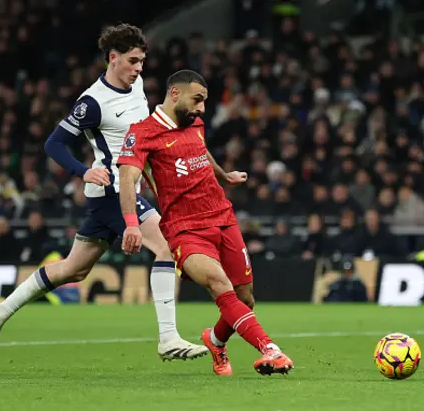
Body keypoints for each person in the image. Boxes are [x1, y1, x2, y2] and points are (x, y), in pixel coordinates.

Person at [0, 24, 207, 361]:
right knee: (165, 246)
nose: (139, 68)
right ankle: (168, 338)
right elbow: (54, 144)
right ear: (112, 59)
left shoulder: (138, 85)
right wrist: (84, 170)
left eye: (142, 61)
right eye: (132, 61)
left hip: (125, 188)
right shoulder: (92, 103)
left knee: (74, 269)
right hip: (112, 190)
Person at [117, 69, 294, 376]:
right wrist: (132, 224)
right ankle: (270, 349)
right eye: (197, 100)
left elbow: (199, 149)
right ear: (175, 94)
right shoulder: (142, 133)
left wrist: (224, 175)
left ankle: (215, 341)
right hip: (184, 229)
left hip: (223, 218)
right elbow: (127, 176)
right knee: (218, 284)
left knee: (245, 298)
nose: (201, 109)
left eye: (204, 102)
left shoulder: (194, 123)